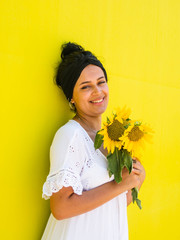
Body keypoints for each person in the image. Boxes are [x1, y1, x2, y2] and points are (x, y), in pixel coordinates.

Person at [41, 42, 146, 240]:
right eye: (85, 87)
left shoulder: (114, 137)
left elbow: (110, 205)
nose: (98, 92)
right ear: (71, 97)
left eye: (101, 82)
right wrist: (121, 184)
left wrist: (137, 181)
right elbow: (61, 208)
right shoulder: (70, 136)